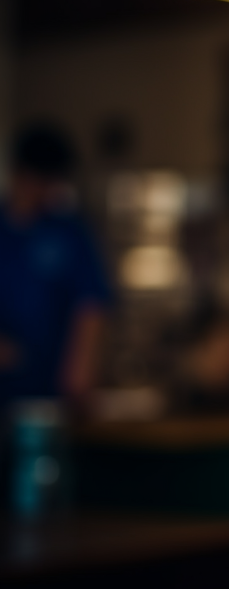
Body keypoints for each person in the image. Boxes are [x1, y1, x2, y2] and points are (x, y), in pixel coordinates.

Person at [0, 123, 110, 408]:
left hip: (51, 392)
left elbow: (92, 302)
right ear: (23, 175)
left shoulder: (69, 230)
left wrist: (81, 370)